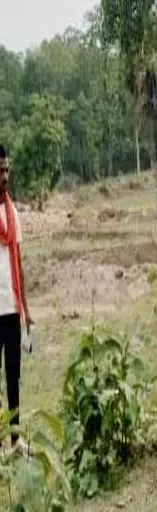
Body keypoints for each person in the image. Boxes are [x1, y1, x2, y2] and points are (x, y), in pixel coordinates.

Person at [0, 145, 31, 444]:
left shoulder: (13, 213)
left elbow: (18, 262)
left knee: (13, 376)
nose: (5, 176)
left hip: (10, 307)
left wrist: (27, 310)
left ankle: (15, 437)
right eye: (0, 171)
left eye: (7, 169)